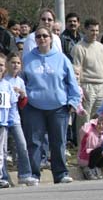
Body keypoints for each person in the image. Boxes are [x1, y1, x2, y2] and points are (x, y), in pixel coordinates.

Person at [21, 26, 81, 183]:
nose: (42, 39)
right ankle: (34, 174)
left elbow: (72, 83)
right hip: (33, 107)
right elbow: (21, 81)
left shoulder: (61, 58)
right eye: (39, 36)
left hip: (59, 107)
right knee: (34, 142)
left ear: (51, 39)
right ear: (35, 40)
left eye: (45, 36)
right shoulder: (27, 59)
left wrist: (73, 101)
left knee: (58, 142)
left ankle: (61, 174)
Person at [72, 18, 103, 139]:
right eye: (92, 30)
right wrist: (79, 91)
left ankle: (97, 147)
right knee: (84, 121)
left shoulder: (101, 47)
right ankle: (83, 148)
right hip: (86, 86)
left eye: (97, 30)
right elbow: (76, 71)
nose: (95, 33)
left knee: (99, 120)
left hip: (101, 86)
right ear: (85, 30)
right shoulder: (79, 48)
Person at [3, 52, 37, 186]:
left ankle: (25, 174)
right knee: (3, 149)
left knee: (22, 145)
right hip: (3, 119)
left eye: (18, 63)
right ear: (7, 64)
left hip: (15, 118)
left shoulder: (20, 81)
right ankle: (3, 176)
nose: (15, 65)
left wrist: (23, 95)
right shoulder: (3, 80)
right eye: (13, 62)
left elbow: (22, 105)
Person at [0, 53, 18, 188]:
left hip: (3, 124)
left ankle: (1, 177)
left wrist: (10, 121)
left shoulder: (7, 85)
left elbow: (12, 105)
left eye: (1, 65)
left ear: (5, 67)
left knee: (1, 152)